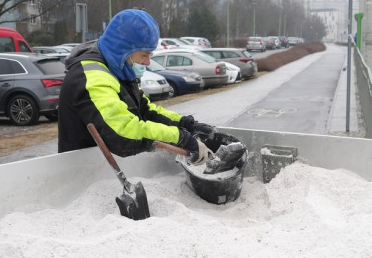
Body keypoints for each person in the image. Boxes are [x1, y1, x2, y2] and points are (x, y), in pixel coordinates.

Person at [56, 9, 244, 174]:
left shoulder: (118, 68)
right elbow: (123, 133)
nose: (147, 62)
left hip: (106, 169)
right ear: (124, 50)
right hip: (80, 176)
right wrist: (182, 139)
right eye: (144, 55)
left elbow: (146, 111)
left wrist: (187, 125)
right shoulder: (92, 77)